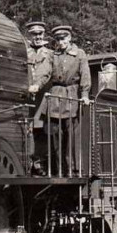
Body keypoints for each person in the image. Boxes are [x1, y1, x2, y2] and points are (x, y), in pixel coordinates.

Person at [39, 25, 91, 176]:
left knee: (71, 135)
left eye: (63, 38)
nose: (60, 42)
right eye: (58, 39)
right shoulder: (52, 55)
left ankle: (72, 168)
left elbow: (85, 75)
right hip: (55, 96)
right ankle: (58, 169)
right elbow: (45, 72)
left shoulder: (79, 54)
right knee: (55, 135)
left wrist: (85, 94)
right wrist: (37, 85)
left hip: (72, 97)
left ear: (69, 38)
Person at [25, 21, 53, 173]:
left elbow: (46, 73)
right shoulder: (24, 52)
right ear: (30, 35)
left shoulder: (49, 54)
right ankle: (28, 161)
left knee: (41, 129)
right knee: (26, 128)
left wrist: (37, 85)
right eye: (34, 34)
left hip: (42, 97)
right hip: (26, 97)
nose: (38, 37)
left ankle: (40, 162)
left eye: (40, 34)